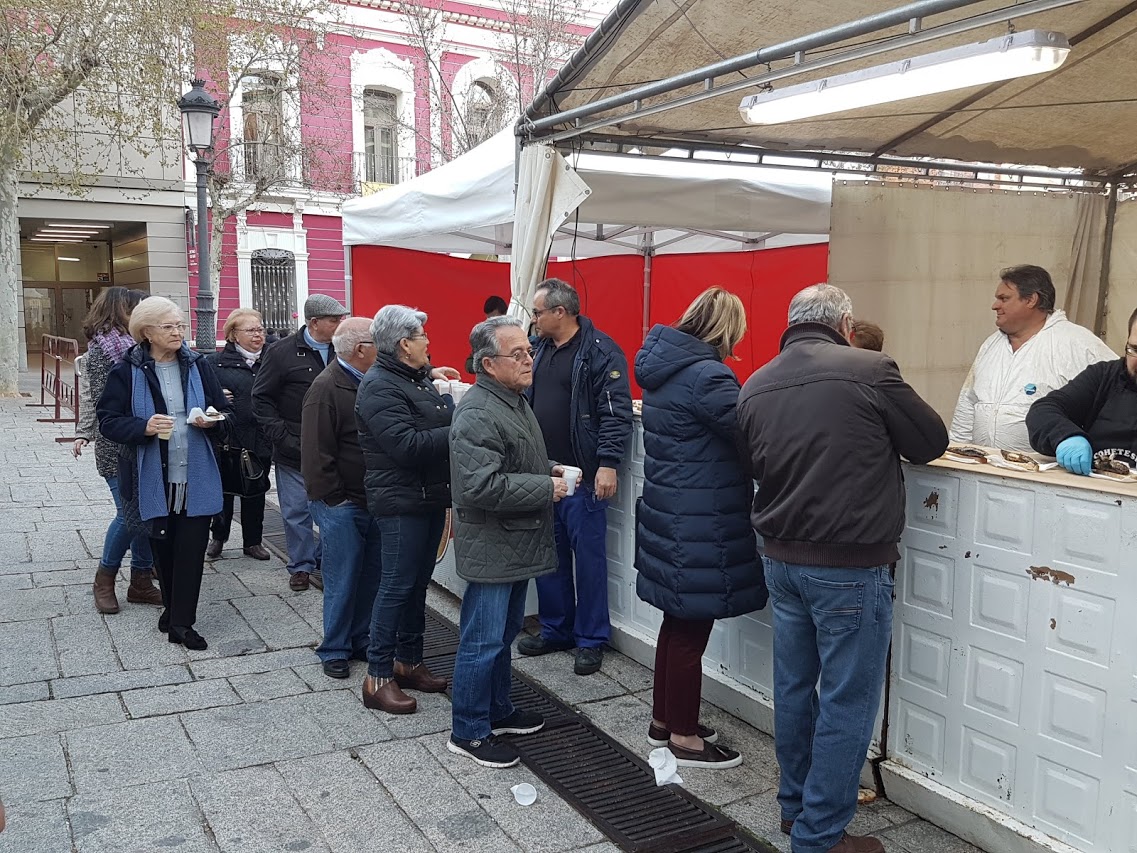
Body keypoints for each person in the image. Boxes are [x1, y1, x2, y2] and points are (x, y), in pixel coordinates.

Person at [737, 284, 947, 853]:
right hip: (848, 563)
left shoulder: (756, 383)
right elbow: (931, 441)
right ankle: (820, 835)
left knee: (793, 688)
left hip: (781, 559)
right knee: (846, 701)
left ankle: (795, 809)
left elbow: (750, 462)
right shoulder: (870, 369)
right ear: (845, 325)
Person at [635, 287, 766, 770]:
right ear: (726, 329)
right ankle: (685, 738)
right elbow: (752, 433)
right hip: (701, 519)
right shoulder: (709, 376)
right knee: (692, 630)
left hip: (672, 512)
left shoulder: (663, 370)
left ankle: (665, 720)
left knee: (676, 623)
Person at [448, 316, 568, 768]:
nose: (528, 360)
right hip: (493, 544)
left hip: (513, 540)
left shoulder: (511, 399)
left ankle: (498, 710)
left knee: (501, 635)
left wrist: (550, 469)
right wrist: (544, 487)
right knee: (482, 641)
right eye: (516, 354)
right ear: (487, 364)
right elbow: (479, 486)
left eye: (528, 351)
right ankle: (468, 730)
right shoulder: (479, 410)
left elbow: (514, 459)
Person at [97, 296, 229, 650]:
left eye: (180, 325)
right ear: (147, 332)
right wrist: (143, 427)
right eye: (168, 326)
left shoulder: (199, 365)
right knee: (164, 550)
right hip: (153, 478)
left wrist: (212, 420)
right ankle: (172, 609)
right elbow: (108, 421)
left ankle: (182, 624)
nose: (177, 332)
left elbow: (223, 410)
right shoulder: (127, 370)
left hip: (196, 475)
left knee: (191, 551)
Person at [518, 278, 633, 676]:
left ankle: (591, 639)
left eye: (538, 312)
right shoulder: (538, 348)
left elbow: (615, 413)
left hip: (583, 474)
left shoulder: (600, 351)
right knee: (548, 556)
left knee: (589, 561)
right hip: (544, 472)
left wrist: (608, 463)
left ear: (560, 312)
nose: (533, 318)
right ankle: (556, 629)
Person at [356, 306, 460, 712]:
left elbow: (426, 418)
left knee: (417, 585)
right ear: (404, 344)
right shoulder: (379, 386)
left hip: (426, 496)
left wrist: (438, 384)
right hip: (401, 502)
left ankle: (409, 661)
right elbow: (407, 446)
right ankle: (377, 676)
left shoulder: (412, 377)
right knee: (396, 586)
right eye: (422, 338)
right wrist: (459, 427)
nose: (428, 343)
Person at [951, 264, 1113, 452]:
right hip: (985, 463)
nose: (995, 306)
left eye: (1004, 298)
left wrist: (1092, 447)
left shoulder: (1078, 343)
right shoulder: (991, 344)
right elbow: (968, 402)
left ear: (1030, 300)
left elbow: (1118, 395)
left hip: (1048, 467)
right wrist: (957, 448)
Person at [73, 287, 163, 614]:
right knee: (128, 515)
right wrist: (84, 433)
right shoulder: (103, 352)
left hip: (145, 440)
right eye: (137, 309)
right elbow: (98, 401)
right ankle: (104, 579)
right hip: (116, 446)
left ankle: (141, 580)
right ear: (122, 310)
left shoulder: (138, 348)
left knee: (145, 512)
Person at [301, 318, 380, 679]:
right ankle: (334, 648)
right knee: (342, 578)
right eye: (378, 343)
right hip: (343, 502)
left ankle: (358, 638)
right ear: (361, 349)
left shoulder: (366, 380)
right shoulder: (326, 387)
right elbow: (316, 452)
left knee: (369, 576)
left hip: (370, 498)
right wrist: (335, 500)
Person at [252, 293, 348, 591]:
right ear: (315, 322)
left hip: (335, 448)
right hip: (293, 448)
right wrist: (281, 436)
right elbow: (261, 398)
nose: (340, 324)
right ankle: (301, 566)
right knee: (296, 511)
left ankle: (325, 559)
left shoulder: (343, 349)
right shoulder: (281, 352)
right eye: (334, 320)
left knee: (335, 510)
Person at [1027, 305, 1137, 474]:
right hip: (1094, 486)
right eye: (1135, 349)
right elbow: (1043, 410)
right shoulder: (1104, 376)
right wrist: (1066, 436)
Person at [205, 308, 273, 561]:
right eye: (251, 330)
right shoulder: (215, 362)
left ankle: (253, 541)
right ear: (233, 334)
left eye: (260, 329)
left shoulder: (272, 359)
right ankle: (218, 537)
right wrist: (216, 397)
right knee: (223, 491)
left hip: (261, 435)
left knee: (256, 489)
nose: (258, 335)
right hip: (227, 437)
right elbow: (203, 395)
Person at [465, 296, 511, 373]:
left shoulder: (515, 334)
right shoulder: (484, 336)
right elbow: (469, 364)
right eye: (489, 320)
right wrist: (485, 365)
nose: (492, 323)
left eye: (496, 319)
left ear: (505, 315)